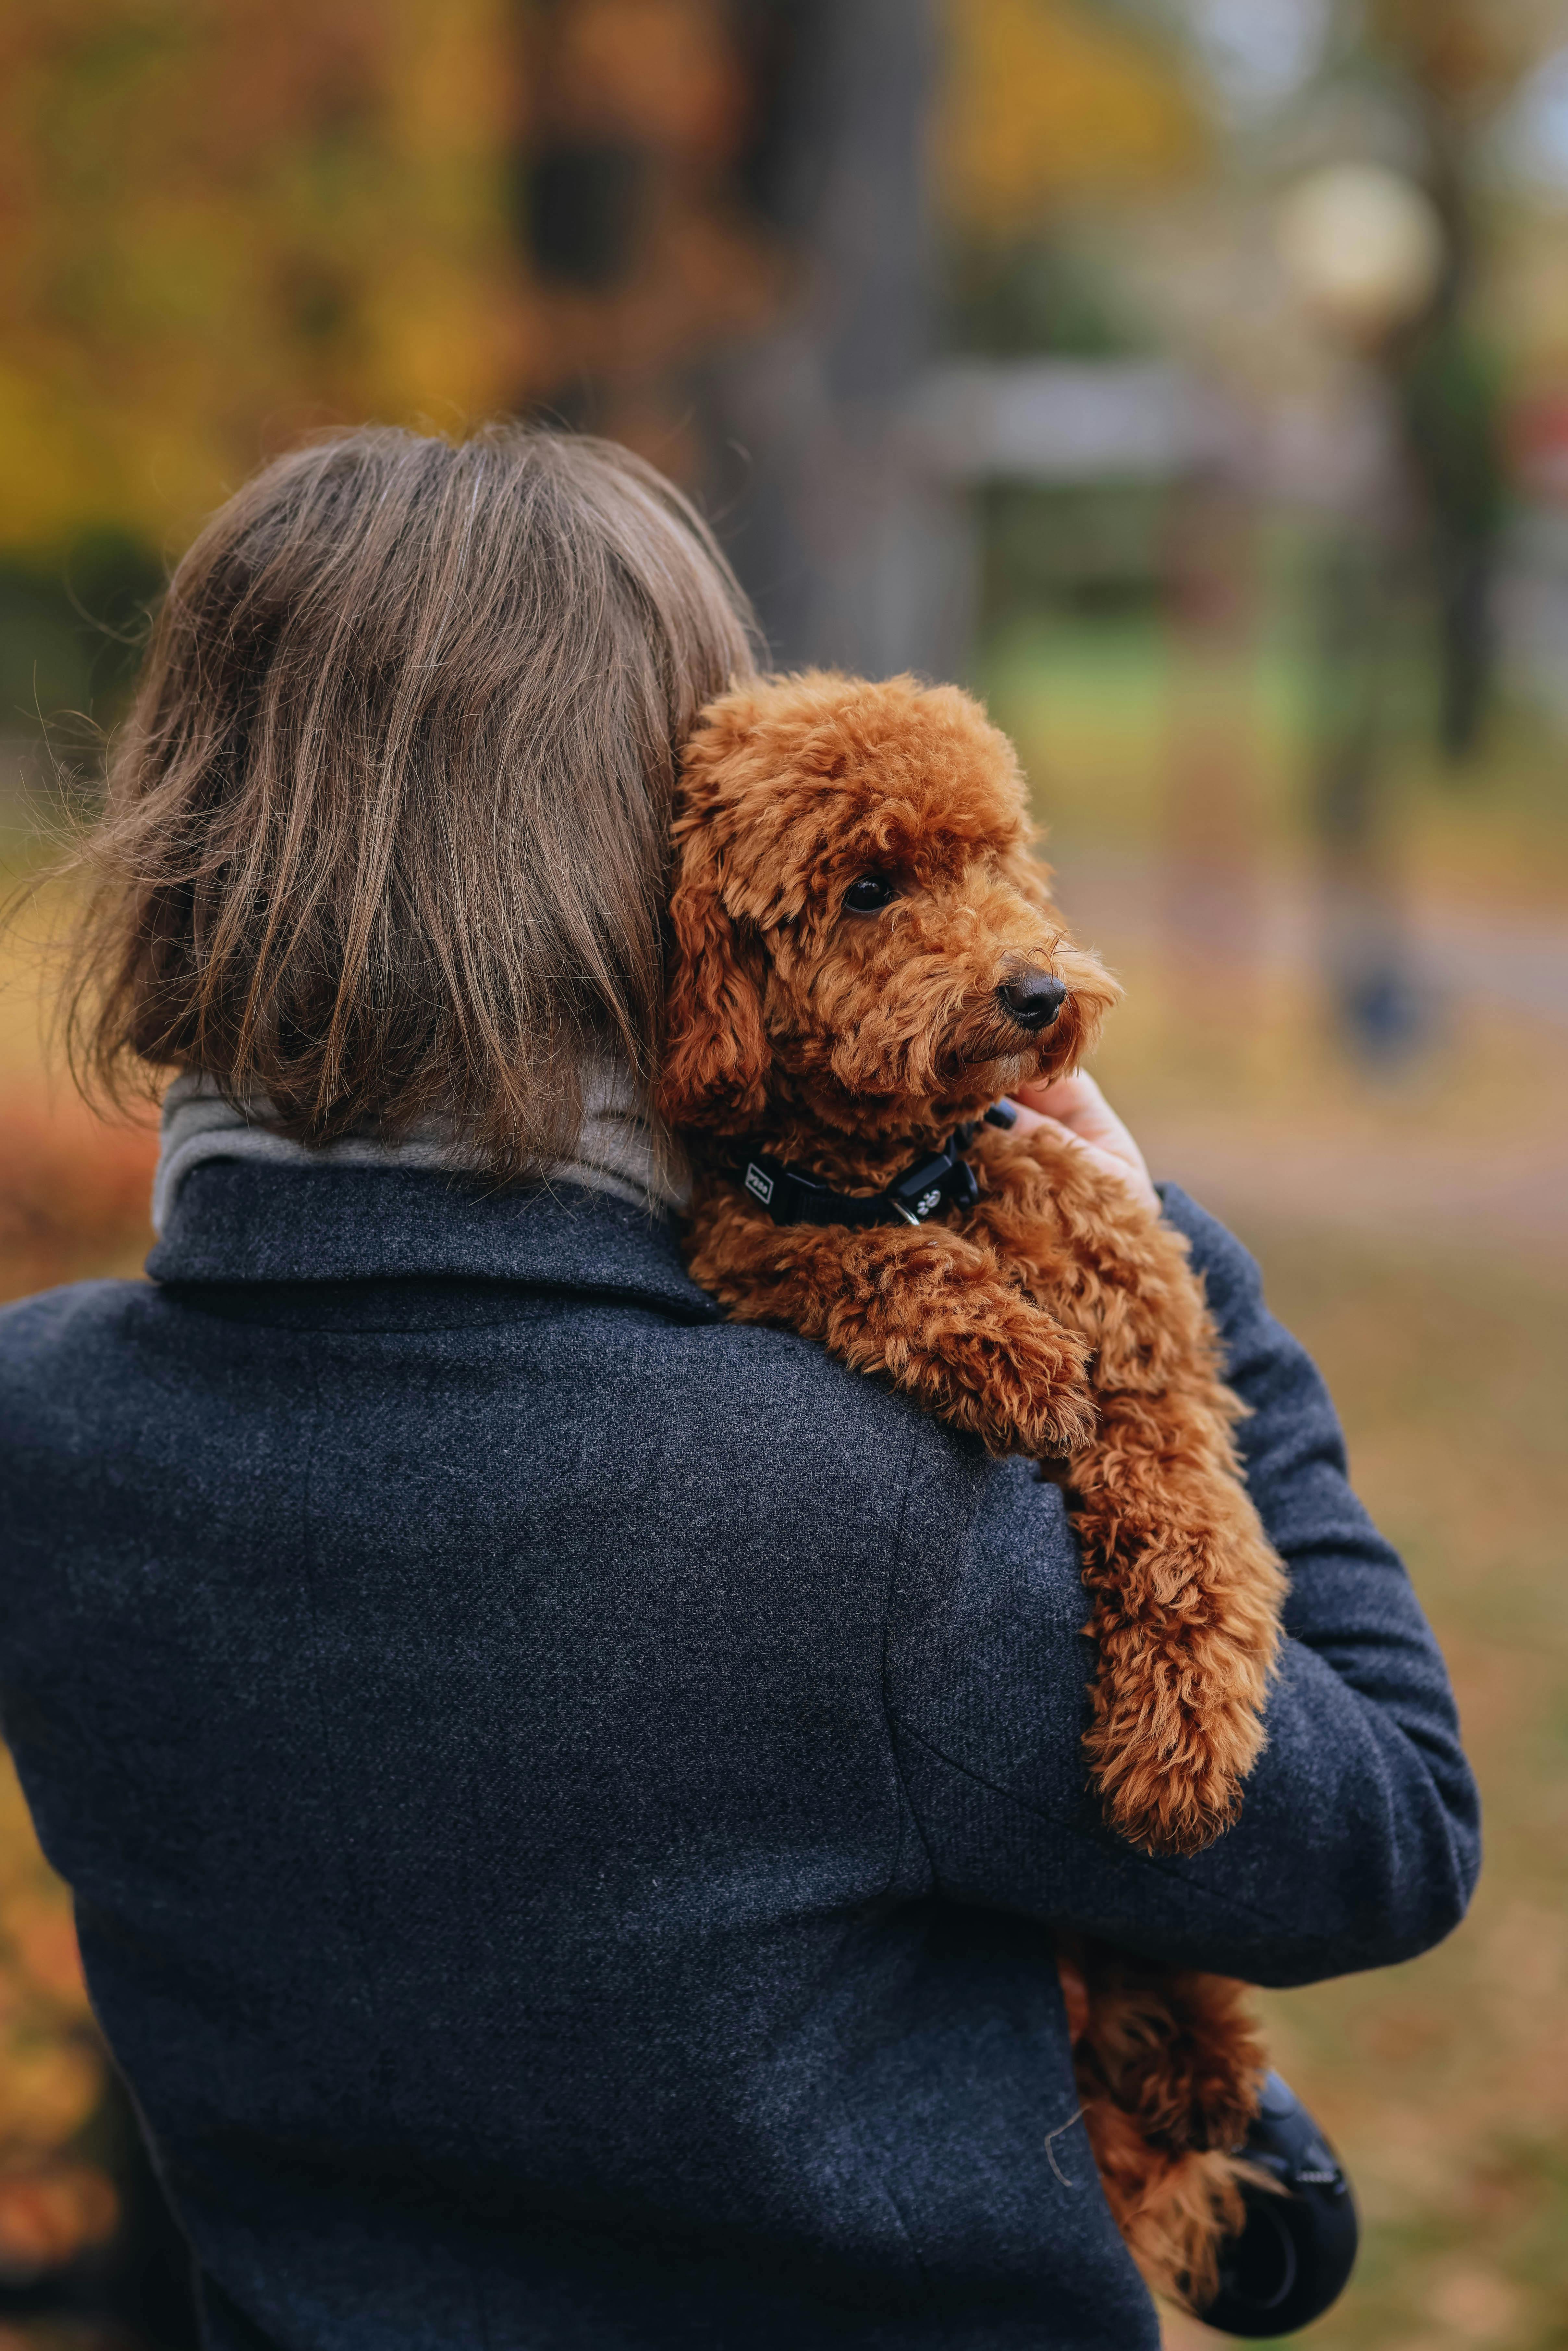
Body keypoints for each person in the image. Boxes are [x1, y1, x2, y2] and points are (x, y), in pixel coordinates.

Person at [0, 425, 1478, 2351]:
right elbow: (1388, 1835)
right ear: (661, 872)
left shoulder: (49, 1429)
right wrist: (1160, 1263)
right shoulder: (848, 1503)